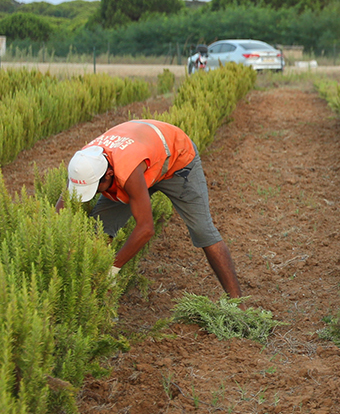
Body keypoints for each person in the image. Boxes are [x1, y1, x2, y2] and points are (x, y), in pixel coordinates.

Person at [57, 119, 241, 296]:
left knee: (203, 231)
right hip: (142, 156)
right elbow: (61, 209)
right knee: (98, 230)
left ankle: (238, 305)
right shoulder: (84, 164)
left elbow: (146, 229)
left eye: (96, 188)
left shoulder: (125, 170)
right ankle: (99, 301)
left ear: (109, 174)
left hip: (176, 162)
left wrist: (113, 268)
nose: (94, 192)